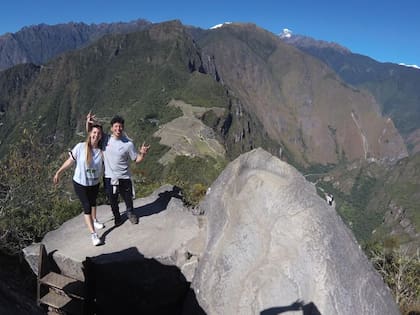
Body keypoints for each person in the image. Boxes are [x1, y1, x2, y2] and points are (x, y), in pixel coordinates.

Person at [87, 112, 150, 225]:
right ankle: (117, 216)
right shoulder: (105, 139)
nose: (118, 128)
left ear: (123, 127)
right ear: (111, 128)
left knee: (128, 198)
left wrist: (142, 153)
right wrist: (89, 122)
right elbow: (92, 133)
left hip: (124, 177)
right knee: (112, 199)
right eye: (115, 126)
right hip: (109, 178)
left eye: (120, 126)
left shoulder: (128, 144)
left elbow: (136, 159)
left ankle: (130, 213)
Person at [53, 124, 105, 246]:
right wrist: (59, 172)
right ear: (90, 133)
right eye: (94, 132)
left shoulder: (101, 152)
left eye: (98, 133)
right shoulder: (80, 147)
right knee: (87, 206)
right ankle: (94, 235)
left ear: (101, 136)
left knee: (93, 202)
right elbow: (70, 161)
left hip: (94, 183)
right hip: (80, 183)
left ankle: (95, 220)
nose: (96, 135)